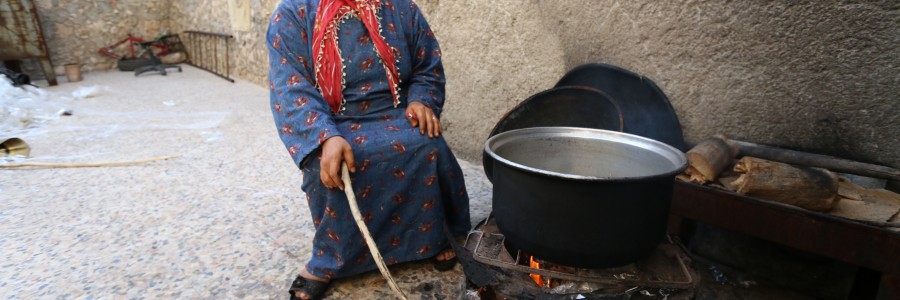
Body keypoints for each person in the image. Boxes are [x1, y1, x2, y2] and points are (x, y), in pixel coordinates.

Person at [266, 0, 471, 298]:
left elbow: (427, 65)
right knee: (330, 162)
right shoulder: (293, 13)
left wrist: (421, 100)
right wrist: (323, 136)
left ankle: (433, 238)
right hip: (332, 120)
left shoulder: (401, 8)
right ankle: (330, 258)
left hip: (396, 112)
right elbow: (289, 85)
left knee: (427, 146)